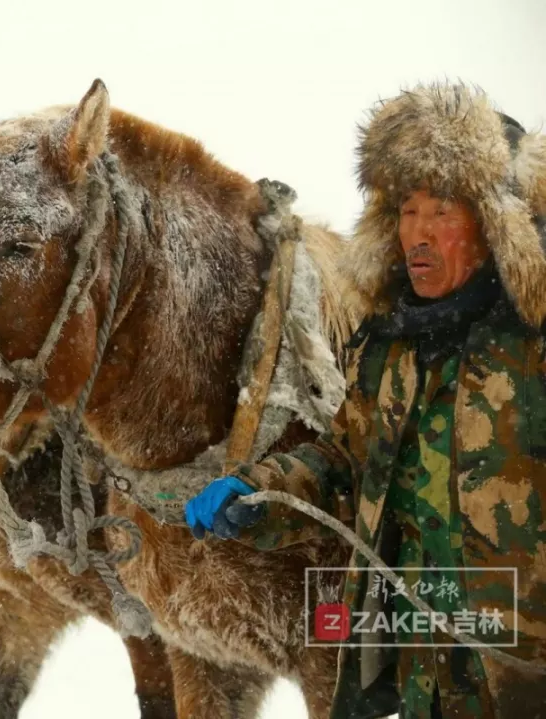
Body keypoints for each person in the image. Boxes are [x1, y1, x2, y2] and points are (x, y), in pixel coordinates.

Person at [186, 82, 546, 718]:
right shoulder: (390, 348)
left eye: (443, 211)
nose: (419, 235)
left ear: (494, 225)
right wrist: (260, 493)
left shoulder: (530, 352)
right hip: (420, 674)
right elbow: (343, 463)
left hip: (519, 677)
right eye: (407, 211)